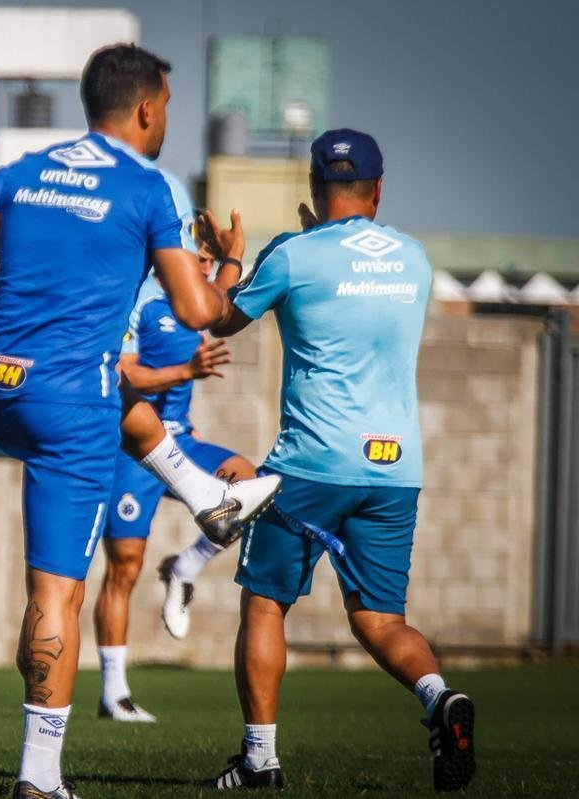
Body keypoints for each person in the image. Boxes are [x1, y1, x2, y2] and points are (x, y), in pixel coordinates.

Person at [0, 43, 276, 799]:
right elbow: (196, 311)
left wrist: (11, 303)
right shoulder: (147, 188)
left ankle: (205, 496)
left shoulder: (23, 170)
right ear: (149, 108)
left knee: (128, 405)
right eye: (167, 111)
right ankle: (39, 779)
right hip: (67, 401)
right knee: (57, 592)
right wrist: (230, 272)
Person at [197, 129, 475, 792]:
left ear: (315, 190)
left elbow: (220, 318)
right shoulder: (413, 258)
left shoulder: (294, 253)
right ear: (378, 189)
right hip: (394, 468)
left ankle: (260, 757)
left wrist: (235, 259)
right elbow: (356, 269)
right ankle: (440, 698)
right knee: (379, 618)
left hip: (312, 464)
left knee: (265, 603)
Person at [95, 225, 257, 723]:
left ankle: (185, 566)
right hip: (133, 447)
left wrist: (234, 254)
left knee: (248, 483)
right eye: (198, 259)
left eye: (209, 262)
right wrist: (185, 372)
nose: (205, 270)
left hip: (183, 441)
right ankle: (113, 692)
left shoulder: (200, 302)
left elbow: (225, 297)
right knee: (123, 567)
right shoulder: (141, 299)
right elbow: (121, 373)